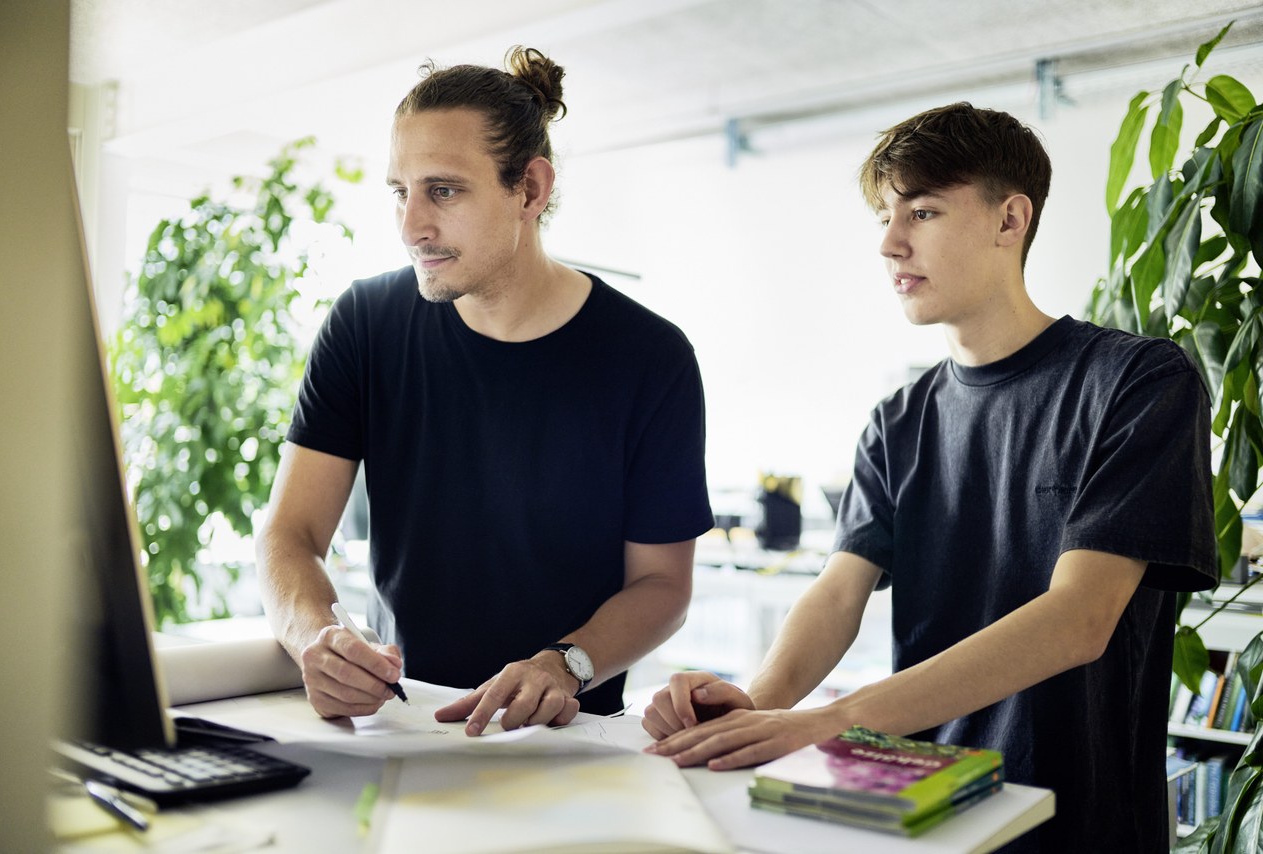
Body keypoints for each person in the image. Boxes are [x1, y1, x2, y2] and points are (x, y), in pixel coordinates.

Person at [641, 102, 1215, 852]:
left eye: (924, 211)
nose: (889, 243)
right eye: (886, 214)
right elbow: (838, 593)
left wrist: (826, 721)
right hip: (924, 814)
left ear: (1010, 219)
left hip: (1075, 822)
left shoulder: (1138, 381)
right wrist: (758, 703)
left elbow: (1080, 618)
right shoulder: (899, 419)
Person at [256, 46, 712, 735]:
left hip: (569, 736)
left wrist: (563, 665)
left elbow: (662, 585)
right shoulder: (365, 324)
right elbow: (290, 533)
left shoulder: (651, 356)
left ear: (529, 190)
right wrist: (314, 638)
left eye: (443, 190)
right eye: (399, 192)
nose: (411, 226)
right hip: (402, 721)